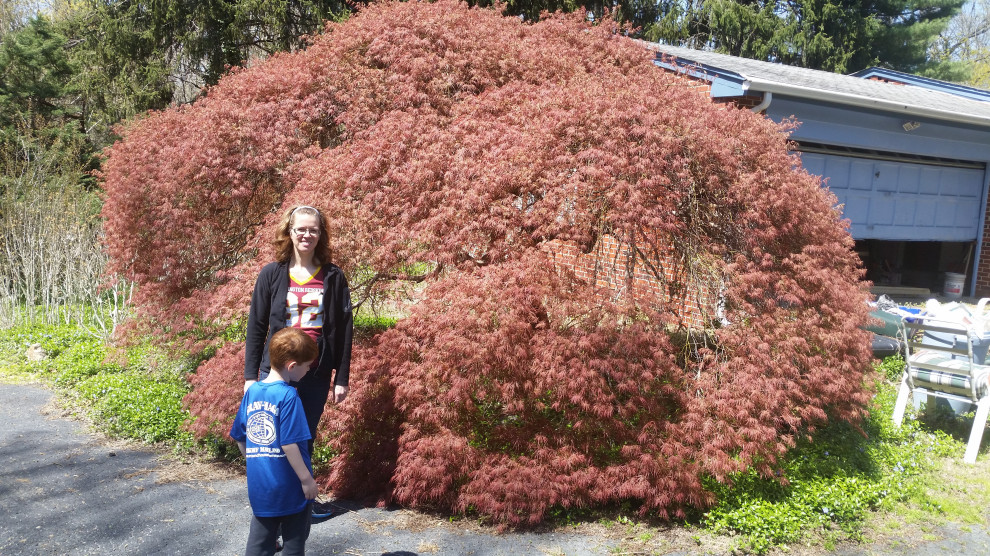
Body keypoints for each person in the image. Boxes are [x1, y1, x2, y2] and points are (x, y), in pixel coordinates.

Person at [244, 204, 353, 516]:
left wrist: (341, 378)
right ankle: (276, 505)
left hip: (315, 371)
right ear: (289, 232)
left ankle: (303, 504)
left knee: (304, 436)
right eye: (300, 229)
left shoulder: (333, 276)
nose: (307, 234)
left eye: (313, 229)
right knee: (272, 440)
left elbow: (345, 330)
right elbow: (256, 326)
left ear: (321, 234)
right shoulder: (271, 274)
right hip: (276, 371)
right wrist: (251, 375)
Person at [231, 327, 320, 556]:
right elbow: (289, 444)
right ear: (292, 366)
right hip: (291, 487)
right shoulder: (289, 395)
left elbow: (240, 437)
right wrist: (307, 480)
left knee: (259, 544)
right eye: (307, 365)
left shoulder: (253, 392)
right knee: (293, 543)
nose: (309, 369)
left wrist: (256, 460)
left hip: (261, 485)